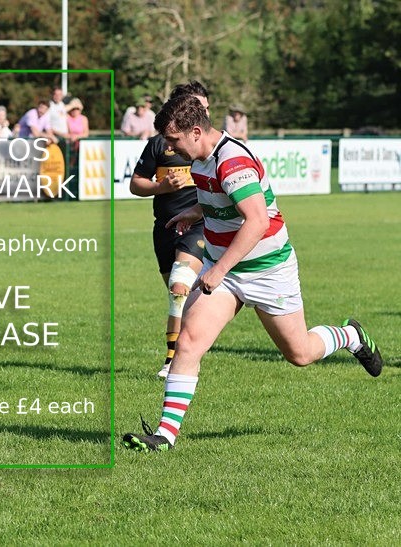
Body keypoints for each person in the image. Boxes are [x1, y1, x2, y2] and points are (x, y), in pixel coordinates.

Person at [122, 94, 384, 453]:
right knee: (188, 341)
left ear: (196, 131)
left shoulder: (232, 161)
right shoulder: (199, 159)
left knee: (300, 353)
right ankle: (164, 436)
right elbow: (221, 199)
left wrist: (219, 269)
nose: (168, 147)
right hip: (224, 267)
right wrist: (195, 214)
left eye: (173, 140)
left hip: (266, 270)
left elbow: (257, 220)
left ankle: (350, 335)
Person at [128, 81, 210, 378]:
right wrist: (160, 186)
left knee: (179, 286)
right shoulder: (160, 144)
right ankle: (195, 342)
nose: (204, 112)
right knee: (183, 299)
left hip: (198, 225)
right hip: (164, 227)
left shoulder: (210, 147)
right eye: (198, 106)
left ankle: (172, 360)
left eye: (205, 107)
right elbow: (135, 183)